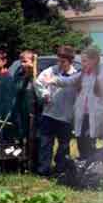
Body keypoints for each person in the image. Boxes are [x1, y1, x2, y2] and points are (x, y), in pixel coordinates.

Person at [44, 46, 103, 160]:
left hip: (95, 117)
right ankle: (84, 167)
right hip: (82, 116)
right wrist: (53, 80)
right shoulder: (83, 74)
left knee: (88, 142)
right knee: (81, 142)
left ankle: (93, 168)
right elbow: (68, 81)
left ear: (94, 60)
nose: (82, 64)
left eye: (85, 61)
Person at [33, 46, 78, 176]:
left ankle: (60, 169)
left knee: (64, 145)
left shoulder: (75, 76)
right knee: (46, 143)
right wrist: (44, 94)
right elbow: (38, 83)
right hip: (50, 113)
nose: (60, 64)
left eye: (63, 62)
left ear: (71, 61)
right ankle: (44, 170)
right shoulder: (50, 71)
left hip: (66, 115)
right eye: (59, 61)